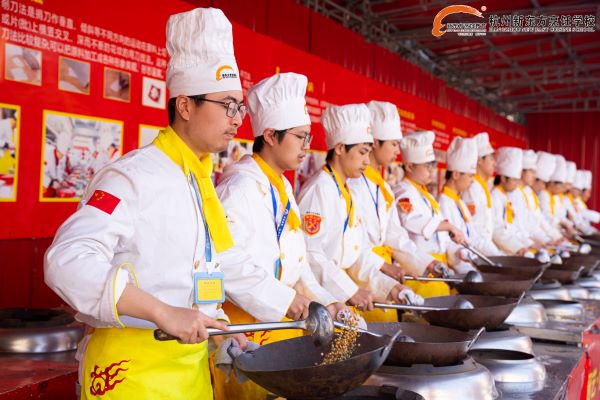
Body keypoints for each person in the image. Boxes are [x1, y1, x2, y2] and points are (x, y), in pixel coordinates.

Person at [44, 8, 246, 399]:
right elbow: (67, 261)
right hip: (130, 374)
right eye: (226, 105)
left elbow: (195, 275)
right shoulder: (132, 177)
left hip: (188, 374)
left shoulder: (200, 181)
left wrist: (220, 330)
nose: (237, 119)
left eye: (239, 107)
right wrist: (161, 312)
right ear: (185, 106)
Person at [214, 72, 348, 399]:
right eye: (300, 137)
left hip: (280, 324)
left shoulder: (282, 186)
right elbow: (226, 264)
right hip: (246, 332)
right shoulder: (239, 188)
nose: (306, 147)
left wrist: (326, 302)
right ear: (271, 136)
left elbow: (296, 263)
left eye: (308, 137)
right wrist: (286, 300)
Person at [298, 104, 419, 316]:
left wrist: (390, 286)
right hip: (324, 297)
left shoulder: (344, 190)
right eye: (362, 152)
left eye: (368, 153)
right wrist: (350, 291)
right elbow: (310, 255)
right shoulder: (319, 189)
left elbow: (354, 254)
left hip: (342, 289)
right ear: (339, 148)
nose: (366, 161)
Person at [393, 131, 470, 293]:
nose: (432, 171)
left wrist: (457, 251)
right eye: (427, 167)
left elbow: (440, 238)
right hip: (419, 271)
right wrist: (448, 227)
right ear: (409, 166)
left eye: (433, 166)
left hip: (437, 268)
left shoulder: (426, 196)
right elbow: (411, 219)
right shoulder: (403, 191)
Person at [438, 136, 499, 260]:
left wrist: (497, 255)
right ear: (456, 174)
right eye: (470, 176)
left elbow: (473, 237)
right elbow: (447, 243)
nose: (472, 181)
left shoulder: (459, 203)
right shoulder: (443, 203)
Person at [510, 149, 562, 247]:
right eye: (532, 172)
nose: (534, 176)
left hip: (528, 242)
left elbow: (534, 222)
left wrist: (548, 239)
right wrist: (531, 242)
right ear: (522, 171)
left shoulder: (528, 192)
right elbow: (515, 226)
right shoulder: (513, 193)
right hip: (519, 245)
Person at [461, 132, 502, 255]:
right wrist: (495, 255)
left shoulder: (483, 187)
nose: (494, 163)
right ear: (479, 160)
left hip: (484, 251)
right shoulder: (472, 187)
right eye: (491, 158)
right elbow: (474, 229)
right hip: (476, 253)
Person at [490, 147, 532, 255]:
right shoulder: (495, 197)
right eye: (515, 180)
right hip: (500, 251)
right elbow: (498, 230)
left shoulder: (504, 196)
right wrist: (518, 247)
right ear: (503, 178)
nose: (517, 184)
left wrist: (525, 244)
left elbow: (512, 228)